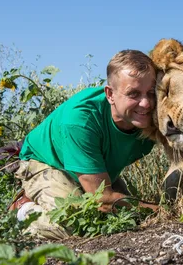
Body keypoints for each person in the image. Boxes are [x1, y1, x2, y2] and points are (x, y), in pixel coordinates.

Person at [9, 49, 160, 240]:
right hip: (48, 162)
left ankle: (78, 191)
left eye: (151, 92)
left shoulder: (153, 116)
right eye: (134, 94)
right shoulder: (81, 120)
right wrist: (159, 210)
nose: (146, 103)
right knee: (76, 225)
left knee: (130, 218)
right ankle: (24, 212)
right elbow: (103, 199)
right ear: (110, 94)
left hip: (96, 168)